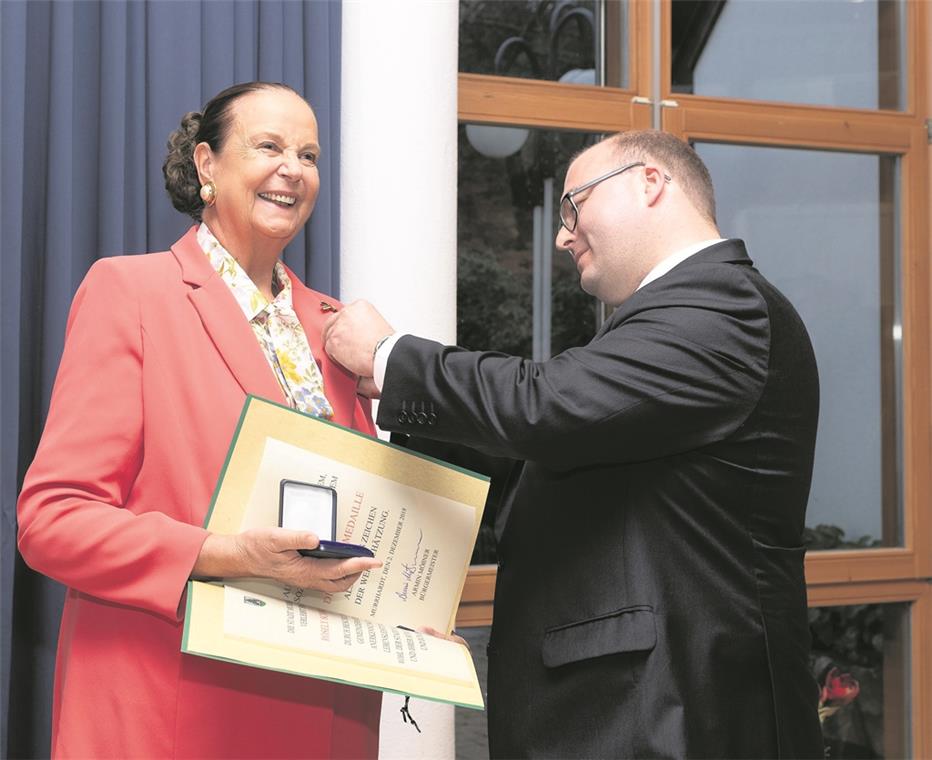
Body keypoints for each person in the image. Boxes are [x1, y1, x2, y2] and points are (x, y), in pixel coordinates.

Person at [323, 131, 825, 758]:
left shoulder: (724, 305)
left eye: (572, 206)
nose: (562, 235)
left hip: (673, 717)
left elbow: (550, 404)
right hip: (623, 711)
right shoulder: (672, 318)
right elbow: (552, 456)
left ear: (649, 182)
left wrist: (392, 356)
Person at [17, 82, 384, 758]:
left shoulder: (336, 328)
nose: (293, 169)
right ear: (207, 165)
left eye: (309, 154)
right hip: (174, 714)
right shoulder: (131, 293)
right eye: (268, 146)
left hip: (326, 711)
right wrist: (225, 555)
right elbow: (53, 521)